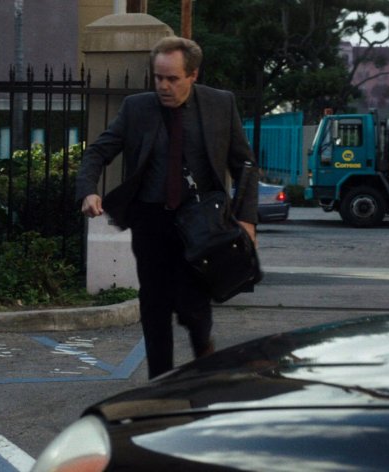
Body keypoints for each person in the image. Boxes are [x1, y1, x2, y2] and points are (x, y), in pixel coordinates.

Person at [75, 36, 259, 379]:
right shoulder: (137, 108)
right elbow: (97, 152)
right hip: (151, 221)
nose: (163, 86)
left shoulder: (220, 104)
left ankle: (203, 355)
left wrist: (247, 220)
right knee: (155, 303)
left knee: (194, 303)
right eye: (158, 77)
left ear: (192, 75)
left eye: (172, 78)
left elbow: (244, 163)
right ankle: (159, 380)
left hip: (201, 223)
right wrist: (88, 191)